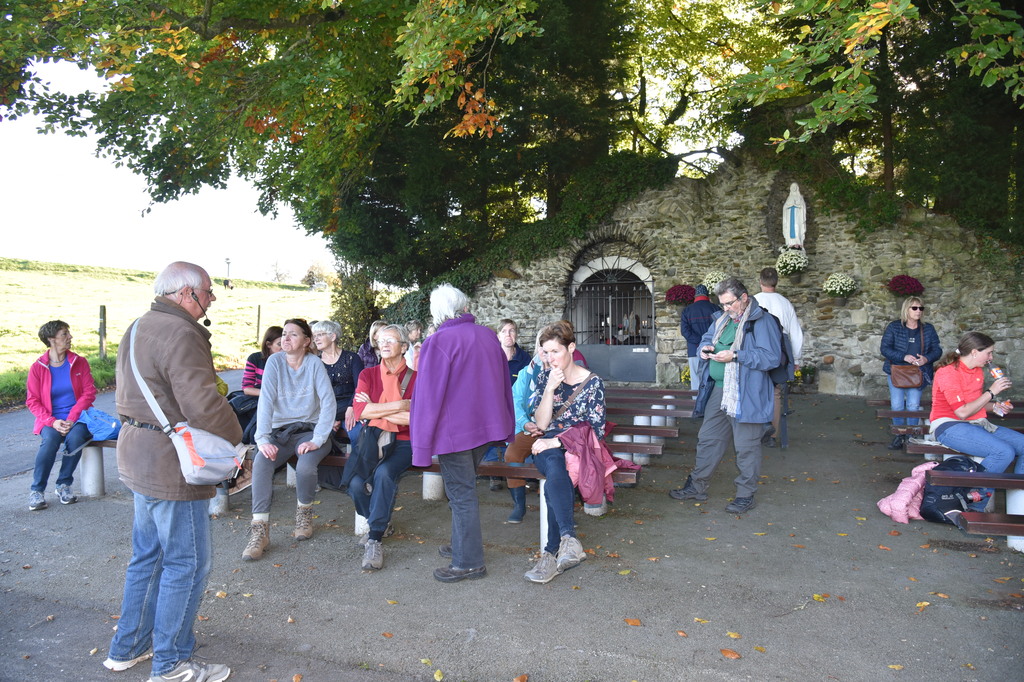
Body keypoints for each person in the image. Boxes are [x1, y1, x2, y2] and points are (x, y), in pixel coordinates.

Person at [105, 261, 240, 681]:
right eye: (208, 291)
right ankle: (171, 664)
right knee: (187, 562)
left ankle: (128, 647)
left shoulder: (139, 324)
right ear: (186, 294)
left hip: (137, 452)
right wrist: (238, 444)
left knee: (147, 557)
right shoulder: (181, 332)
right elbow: (202, 403)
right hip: (170, 463)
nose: (212, 298)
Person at [410, 284, 514, 583]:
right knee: (463, 490)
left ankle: (469, 562)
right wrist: (506, 422)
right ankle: (461, 544)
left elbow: (428, 397)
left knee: (461, 493)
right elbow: (503, 381)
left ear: (438, 312)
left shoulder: (438, 341)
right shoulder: (486, 335)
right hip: (487, 428)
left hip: (454, 433)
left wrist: (421, 444)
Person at [669, 277, 780, 515]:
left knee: (746, 446)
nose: (726, 309)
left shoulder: (762, 321)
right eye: (723, 304)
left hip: (747, 392)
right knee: (708, 439)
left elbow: (771, 357)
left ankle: (745, 495)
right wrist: (704, 349)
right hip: (719, 389)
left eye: (730, 303)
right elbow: (706, 339)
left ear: (744, 298)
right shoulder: (721, 319)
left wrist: (737, 356)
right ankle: (697, 486)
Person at [243, 319, 336, 561]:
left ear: (306, 342)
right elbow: (265, 401)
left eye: (293, 335)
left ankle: (304, 513)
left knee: (305, 466)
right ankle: (259, 531)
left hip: (311, 430)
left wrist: (318, 439)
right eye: (284, 334)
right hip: (280, 432)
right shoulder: (274, 362)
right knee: (262, 462)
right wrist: (263, 439)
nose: (285, 339)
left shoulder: (315, 364)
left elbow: (328, 403)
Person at [523, 321, 606, 584]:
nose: (550, 358)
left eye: (555, 351)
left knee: (555, 474)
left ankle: (549, 554)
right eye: (545, 352)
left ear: (571, 348)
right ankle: (569, 540)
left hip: (578, 448)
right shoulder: (543, 377)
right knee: (555, 469)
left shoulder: (592, 383)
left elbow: (597, 429)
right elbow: (542, 424)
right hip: (546, 444)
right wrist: (549, 388)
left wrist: (557, 443)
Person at [347, 324, 417, 571]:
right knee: (355, 484)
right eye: (381, 340)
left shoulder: (417, 378)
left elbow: (417, 420)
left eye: (391, 340)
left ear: (404, 347)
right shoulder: (368, 375)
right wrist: (401, 404)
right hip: (372, 440)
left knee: (384, 473)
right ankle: (382, 521)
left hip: (405, 442)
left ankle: (375, 537)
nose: (384, 344)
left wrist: (376, 410)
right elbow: (360, 411)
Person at [929, 332, 1024, 508]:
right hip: (948, 425)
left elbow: (974, 404)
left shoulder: (977, 371)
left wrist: (996, 405)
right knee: (1003, 452)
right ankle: (972, 504)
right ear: (974, 352)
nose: (991, 357)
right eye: (988, 352)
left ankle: (1020, 496)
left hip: (976, 423)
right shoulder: (947, 373)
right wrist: (991, 392)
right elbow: (962, 412)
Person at [25, 320, 96, 510]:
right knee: (49, 441)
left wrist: (72, 418)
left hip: (78, 418)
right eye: (64, 334)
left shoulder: (79, 362)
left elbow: (89, 393)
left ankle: (64, 485)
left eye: (68, 333)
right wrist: (52, 421)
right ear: (51, 339)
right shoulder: (38, 367)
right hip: (50, 420)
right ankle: (37, 491)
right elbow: (32, 401)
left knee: (77, 437)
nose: (70, 337)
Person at [880, 296, 941, 450]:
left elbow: (937, 350)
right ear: (906, 309)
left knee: (913, 406)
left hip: (918, 371)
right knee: (897, 406)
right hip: (897, 371)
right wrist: (903, 356)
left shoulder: (928, 328)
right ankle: (899, 435)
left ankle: (911, 436)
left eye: (921, 308)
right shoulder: (894, 327)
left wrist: (926, 359)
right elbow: (885, 348)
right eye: (914, 308)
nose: (918, 311)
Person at [754, 267, 805, 447]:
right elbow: (796, 334)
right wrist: (796, 359)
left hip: (758, 349)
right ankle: (773, 436)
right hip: (780, 351)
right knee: (775, 393)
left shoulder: (754, 301)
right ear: (777, 282)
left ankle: (757, 432)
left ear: (760, 282)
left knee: (756, 391)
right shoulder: (785, 303)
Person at [502, 330, 549, 523]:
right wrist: (526, 423)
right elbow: (515, 400)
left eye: (551, 349)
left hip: (557, 430)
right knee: (512, 455)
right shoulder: (527, 372)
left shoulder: (566, 371)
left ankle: (562, 507)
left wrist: (548, 426)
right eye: (542, 348)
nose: (546, 354)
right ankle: (519, 505)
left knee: (561, 457)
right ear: (538, 348)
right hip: (530, 427)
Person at [229, 325, 283, 444]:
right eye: (279, 344)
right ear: (268, 344)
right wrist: (268, 394)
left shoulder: (288, 359)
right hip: (259, 397)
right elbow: (247, 388)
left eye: (285, 343)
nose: (283, 348)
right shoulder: (255, 358)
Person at [312, 319, 364, 439]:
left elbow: (360, 386)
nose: (316, 339)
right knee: (317, 438)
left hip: (350, 406)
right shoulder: (315, 362)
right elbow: (312, 393)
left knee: (358, 434)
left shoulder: (352, 358)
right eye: (315, 336)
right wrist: (328, 418)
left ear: (333, 336)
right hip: (325, 410)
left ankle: (356, 458)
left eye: (320, 335)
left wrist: (351, 407)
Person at [680, 284, 719, 391]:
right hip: (714, 350)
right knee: (714, 380)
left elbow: (685, 331)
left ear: (695, 296)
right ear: (707, 295)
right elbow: (721, 329)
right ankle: (711, 406)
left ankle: (696, 405)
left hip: (694, 349)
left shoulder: (687, 310)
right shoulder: (715, 308)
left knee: (696, 381)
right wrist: (708, 342)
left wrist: (700, 342)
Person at [498, 318, 532, 385]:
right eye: (503, 331)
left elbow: (528, 384)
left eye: (512, 331)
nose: (508, 334)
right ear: (498, 337)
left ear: (516, 335)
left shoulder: (525, 358)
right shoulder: (490, 357)